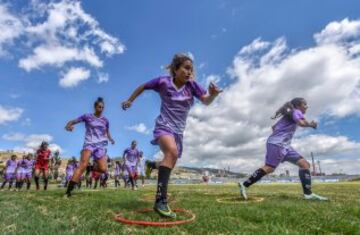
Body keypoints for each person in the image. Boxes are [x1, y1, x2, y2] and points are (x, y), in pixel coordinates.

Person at [121, 53, 222, 218]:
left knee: (171, 158)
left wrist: (214, 94)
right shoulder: (163, 82)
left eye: (191, 69)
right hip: (164, 126)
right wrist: (130, 100)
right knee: (172, 152)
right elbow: (143, 86)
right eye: (186, 68)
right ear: (176, 69)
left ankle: (153, 165)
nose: (189, 72)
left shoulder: (192, 86)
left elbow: (206, 100)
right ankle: (160, 200)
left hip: (179, 132)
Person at [239, 98, 328, 201]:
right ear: (298, 105)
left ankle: (308, 194)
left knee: (304, 164)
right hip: (277, 144)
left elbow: (274, 127)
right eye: (305, 104)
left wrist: (281, 133)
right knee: (269, 168)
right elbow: (301, 123)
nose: (307, 107)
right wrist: (311, 125)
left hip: (284, 145)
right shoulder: (296, 111)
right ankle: (244, 185)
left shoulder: (290, 114)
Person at [64, 97, 115, 197]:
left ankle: (91, 168)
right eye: (99, 107)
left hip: (100, 146)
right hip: (89, 144)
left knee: (103, 169)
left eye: (102, 107)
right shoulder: (87, 116)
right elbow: (72, 121)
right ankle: (68, 192)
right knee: (82, 166)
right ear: (95, 107)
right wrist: (68, 126)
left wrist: (111, 138)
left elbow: (107, 131)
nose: (101, 109)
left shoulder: (105, 120)